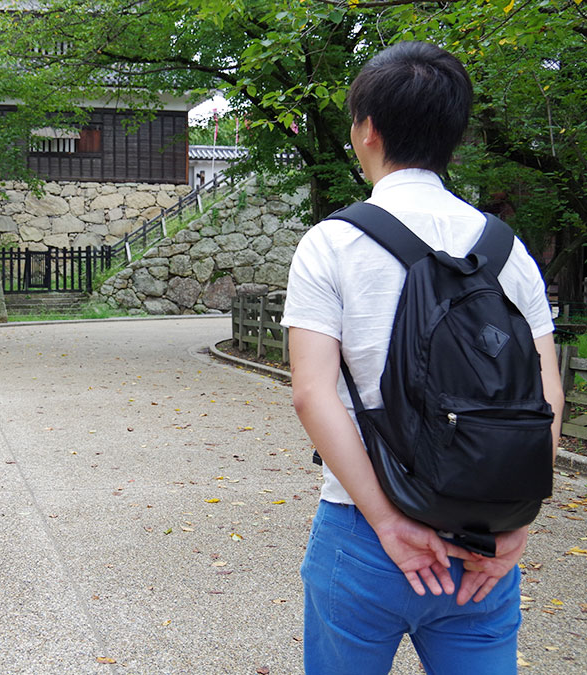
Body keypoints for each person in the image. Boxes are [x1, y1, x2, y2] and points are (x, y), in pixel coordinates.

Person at [282, 42, 564, 673]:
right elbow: (547, 397)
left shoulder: (332, 243)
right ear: (452, 135)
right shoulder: (508, 249)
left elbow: (312, 394)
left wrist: (387, 522)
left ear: (367, 131)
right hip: (480, 545)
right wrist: (514, 524)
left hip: (364, 532)